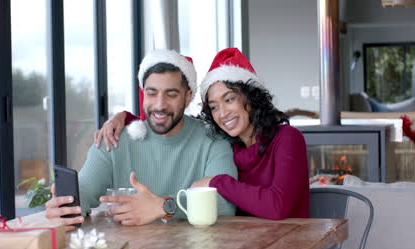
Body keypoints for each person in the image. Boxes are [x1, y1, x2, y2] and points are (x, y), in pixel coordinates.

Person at [95, 48, 309, 220]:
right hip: (244, 246)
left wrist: (217, 182)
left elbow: (276, 207)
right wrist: (122, 117)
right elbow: (165, 117)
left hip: (289, 246)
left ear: (251, 99)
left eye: (229, 99)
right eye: (214, 107)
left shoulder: (288, 138)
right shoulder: (228, 142)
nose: (223, 114)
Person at [45, 50, 237, 230]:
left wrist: (165, 206)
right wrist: (67, 204)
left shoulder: (213, 141)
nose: (159, 105)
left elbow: (225, 204)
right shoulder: (114, 139)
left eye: (171, 94)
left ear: (188, 97)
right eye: (151, 93)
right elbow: (86, 188)